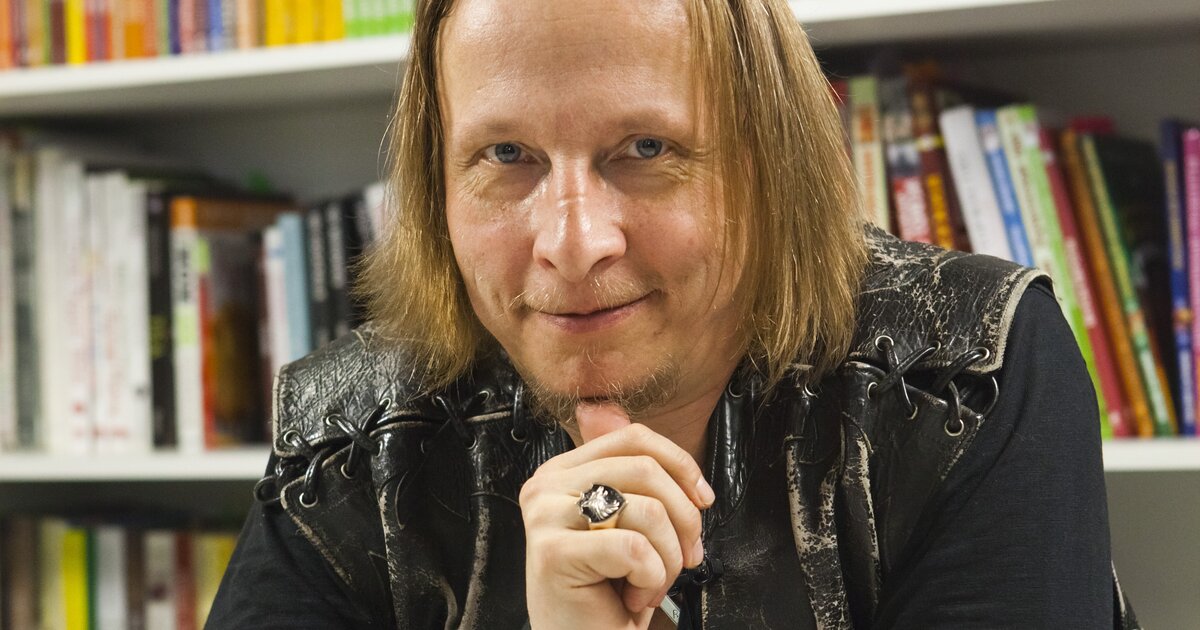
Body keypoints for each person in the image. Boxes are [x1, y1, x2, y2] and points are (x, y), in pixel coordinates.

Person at [207, 0, 1139, 628]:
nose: (573, 244)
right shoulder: (351, 440)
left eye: (646, 147)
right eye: (506, 156)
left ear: (772, 162)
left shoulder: (962, 373)